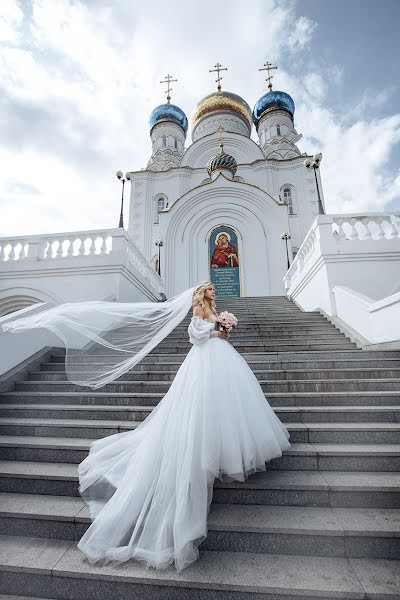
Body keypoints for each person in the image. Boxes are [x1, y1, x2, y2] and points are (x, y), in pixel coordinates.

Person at [75, 281, 292, 573]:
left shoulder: (213, 312)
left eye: (214, 290)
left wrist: (224, 327)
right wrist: (217, 328)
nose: (214, 293)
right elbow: (197, 338)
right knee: (200, 407)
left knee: (228, 406)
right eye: (211, 290)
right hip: (202, 365)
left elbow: (220, 339)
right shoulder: (197, 314)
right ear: (202, 293)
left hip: (223, 362)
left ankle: (223, 451)